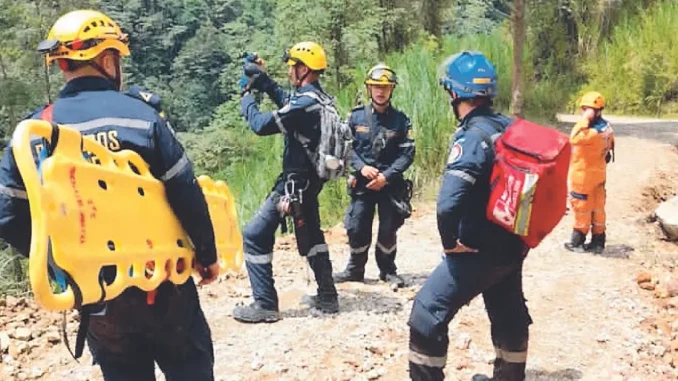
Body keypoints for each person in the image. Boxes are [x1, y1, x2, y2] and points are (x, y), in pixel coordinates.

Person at [0, 10, 219, 380]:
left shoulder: (38, 130)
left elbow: (8, 216)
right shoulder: (143, 117)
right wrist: (207, 255)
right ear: (106, 60)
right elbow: (185, 191)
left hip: (99, 293)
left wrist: (64, 264)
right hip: (164, 284)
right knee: (190, 367)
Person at [407, 51, 532, 381]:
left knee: (426, 313)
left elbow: (447, 204)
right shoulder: (509, 127)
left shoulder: (471, 137)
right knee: (508, 311)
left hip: (478, 250)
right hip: (512, 245)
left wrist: (451, 244)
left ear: (454, 93)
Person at [233, 41, 339, 323]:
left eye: (292, 67)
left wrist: (246, 96)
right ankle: (328, 297)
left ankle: (265, 304)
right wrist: (265, 83)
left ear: (303, 69)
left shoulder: (304, 104)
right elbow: (288, 104)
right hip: (310, 181)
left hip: (294, 184)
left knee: (255, 235)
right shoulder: (317, 99)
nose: (290, 71)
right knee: (313, 235)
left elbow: (261, 125)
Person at [332, 64, 415, 289]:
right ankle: (355, 270)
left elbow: (407, 154)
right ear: (369, 89)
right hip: (362, 185)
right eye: (376, 87)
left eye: (386, 87)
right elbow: (345, 148)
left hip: (390, 186)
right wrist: (361, 168)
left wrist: (386, 177)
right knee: (357, 226)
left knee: (388, 229)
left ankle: (388, 271)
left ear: (391, 90)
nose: (381, 91)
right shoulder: (355, 117)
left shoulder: (401, 120)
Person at [564, 91, 614, 254]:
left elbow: (574, 138)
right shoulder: (606, 128)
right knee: (598, 208)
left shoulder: (590, 133)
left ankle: (577, 242)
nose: (583, 112)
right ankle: (598, 242)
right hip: (599, 175)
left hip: (583, 177)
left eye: (585, 109)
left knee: (582, 208)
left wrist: (585, 119)